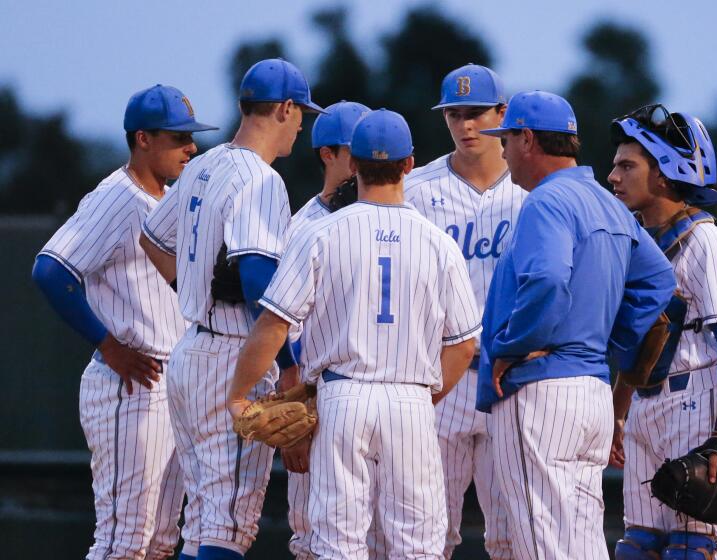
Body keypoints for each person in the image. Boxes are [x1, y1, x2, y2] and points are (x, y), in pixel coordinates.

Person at [226, 108, 481, 560]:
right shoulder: (438, 242)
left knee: (337, 544)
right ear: (408, 164)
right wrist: (426, 399)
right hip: (411, 401)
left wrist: (240, 395)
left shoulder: (322, 233)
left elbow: (273, 323)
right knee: (418, 545)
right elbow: (464, 344)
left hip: (342, 399)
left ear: (355, 165)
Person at [477, 91, 676, 560]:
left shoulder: (546, 202)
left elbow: (547, 278)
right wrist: (609, 341)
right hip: (591, 393)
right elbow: (658, 279)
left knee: (541, 547)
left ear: (527, 139)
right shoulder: (606, 203)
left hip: (541, 393)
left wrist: (515, 344)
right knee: (582, 545)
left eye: (505, 139)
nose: (501, 151)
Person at [139, 59, 324, 560]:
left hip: (189, 354)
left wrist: (193, 286)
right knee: (229, 526)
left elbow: (152, 239)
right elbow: (259, 278)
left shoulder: (203, 164)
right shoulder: (261, 180)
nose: (302, 123)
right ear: (284, 108)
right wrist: (288, 367)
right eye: (300, 111)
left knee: (201, 521)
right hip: (231, 361)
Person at [32, 84, 217, 559]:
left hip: (170, 383)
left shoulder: (172, 199)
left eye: (190, 137)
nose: (190, 147)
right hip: (129, 384)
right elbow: (51, 270)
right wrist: (107, 343)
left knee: (158, 543)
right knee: (123, 541)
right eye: (178, 138)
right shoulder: (116, 197)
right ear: (142, 139)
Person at [608, 104, 717, 560]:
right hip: (648, 404)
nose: (613, 176)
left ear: (666, 175)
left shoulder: (705, 241)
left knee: (692, 548)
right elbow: (638, 344)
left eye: (627, 166)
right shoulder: (633, 240)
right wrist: (617, 412)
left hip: (699, 401)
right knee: (638, 546)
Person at [403, 63, 524, 559]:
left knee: (513, 535)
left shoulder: (531, 189)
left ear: (502, 113)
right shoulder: (415, 191)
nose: (466, 126)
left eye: (477, 113)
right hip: (442, 377)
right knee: (428, 533)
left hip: (509, 379)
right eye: (455, 114)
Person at [281, 99, 372, 560]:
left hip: (387, 403)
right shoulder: (300, 229)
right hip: (319, 402)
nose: (365, 161)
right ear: (327, 154)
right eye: (355, 152)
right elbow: (281, 331)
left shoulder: (398, 217)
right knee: (314, 540)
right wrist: (294, 419)